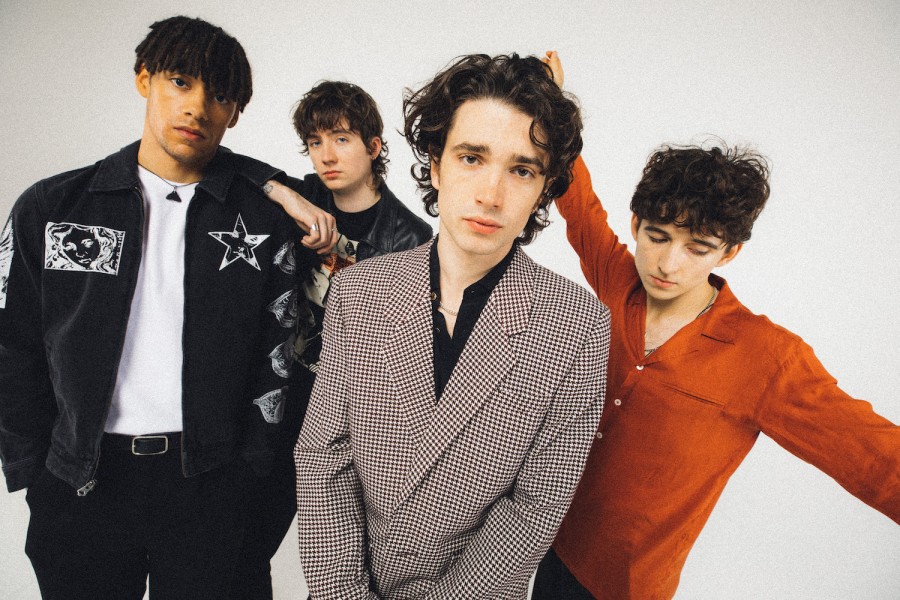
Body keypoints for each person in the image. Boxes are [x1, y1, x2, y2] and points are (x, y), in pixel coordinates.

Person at [530, 53, 900, 600]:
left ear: (729, 252)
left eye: (697, 247)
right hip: (549, 544)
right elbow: (580, 207)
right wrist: (553, 106)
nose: (668, 264)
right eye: (656, 236)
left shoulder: (767, 357)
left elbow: (873, 457)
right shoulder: (619, 280)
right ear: (637, 224)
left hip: (627, 588)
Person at [0, 16, 300, 600]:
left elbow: (282, 353)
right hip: (82, 486)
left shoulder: (262, 218)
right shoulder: (54, 205)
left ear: (235, 113)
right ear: (144, 80)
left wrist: (252, 477)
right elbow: (11, 342)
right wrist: (33, 469)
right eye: (181, 81)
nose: (198, 107)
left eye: (219, 94)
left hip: (211, 488)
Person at [293, 52, 611, 598]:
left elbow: (536, 505)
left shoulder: (578, 326)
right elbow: (324, 459)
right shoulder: (358, 291)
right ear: (435, 166)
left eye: (521, 169)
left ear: (545, 187)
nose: (491, 194)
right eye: (471, 158)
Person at [228, 80, 432, 600]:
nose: (326, 155)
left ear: (374, 146)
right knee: (241, 542)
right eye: (315, 142)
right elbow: (225, 168)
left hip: (353, 407)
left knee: (358, 555)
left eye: (341, 138)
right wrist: (284, 193)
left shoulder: (408, 239)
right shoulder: (301, 199)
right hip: (281, 391)